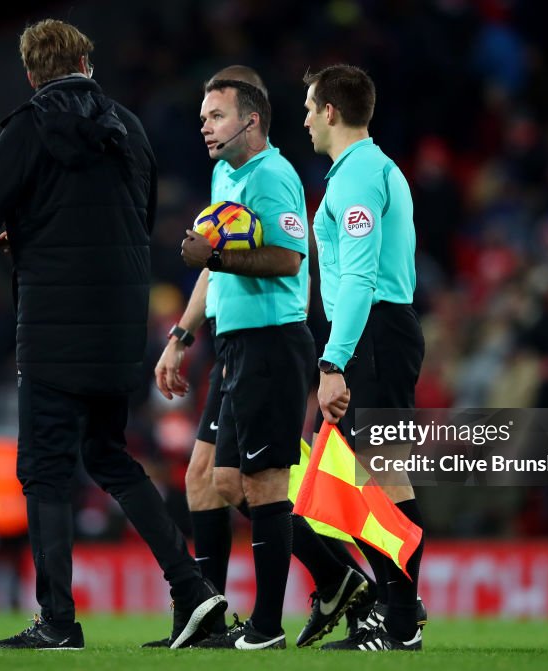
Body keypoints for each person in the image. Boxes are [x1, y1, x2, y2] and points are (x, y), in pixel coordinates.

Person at [0, 19, 225, 650]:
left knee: (43, 469)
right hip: (121, 321)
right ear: (85, 62)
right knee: (107, 454)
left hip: (51, 325)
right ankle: (193, 590)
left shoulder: (29, 124)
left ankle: (58, 622)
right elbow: (138, 216)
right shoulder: (127, 126)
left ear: (33, 73)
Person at [179, 76, 367, 649]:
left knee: (260, 486)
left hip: (271, 343)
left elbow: (287, 259)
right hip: (234, 343)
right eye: (204, 115)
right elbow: (219, 264)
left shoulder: (274, 176)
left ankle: (265, 629)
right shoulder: (224, 175)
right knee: (223, 480)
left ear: (251, 120)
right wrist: (182, 334)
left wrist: (214, 254)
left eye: (215, 115)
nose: (205, 126)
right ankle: (333, 576)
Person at [302, 64, 427, 651]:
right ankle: (399, 605)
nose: (303, 119)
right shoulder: (375, 169)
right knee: (370, 473)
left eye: (308, 107)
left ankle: (400, 619)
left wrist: (333, 362)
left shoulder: (355, 179)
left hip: (372, 330)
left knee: (382, 473)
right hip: (382, 329)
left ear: (331, 111)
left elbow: (357, 278)